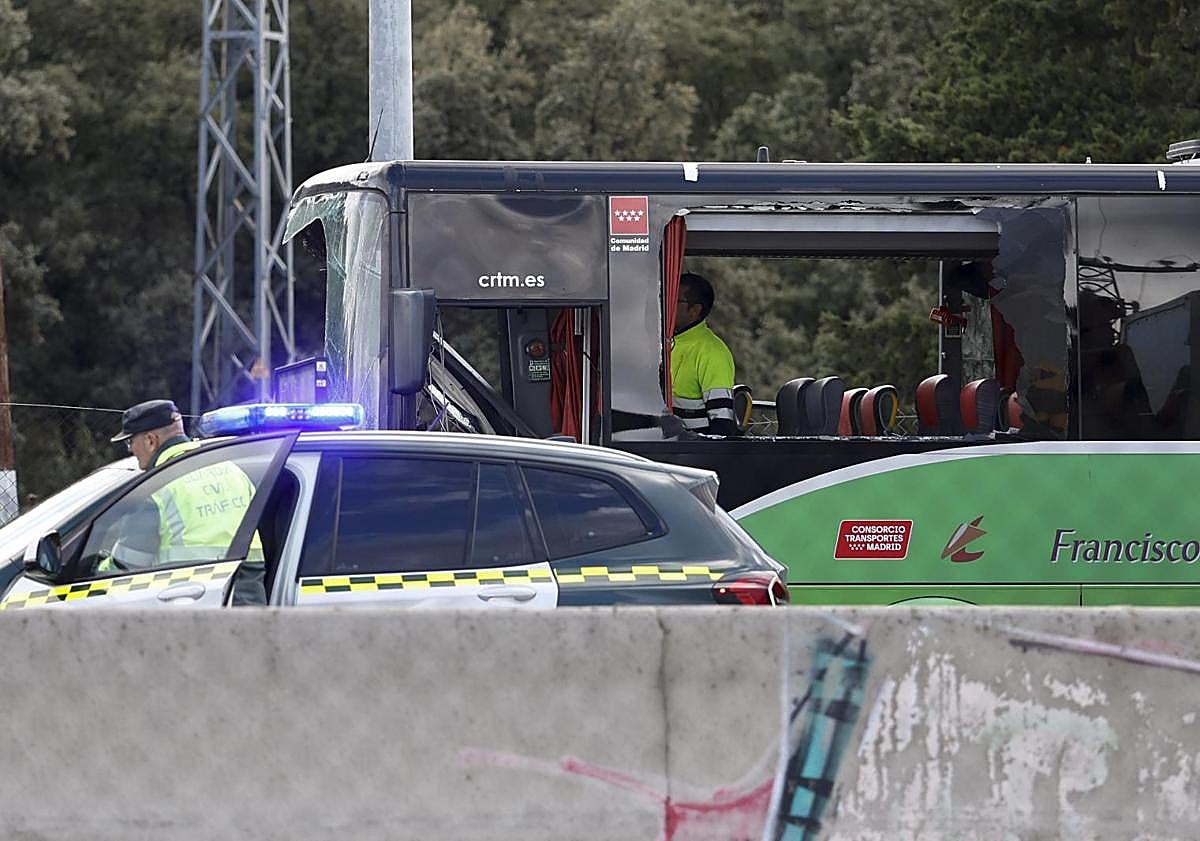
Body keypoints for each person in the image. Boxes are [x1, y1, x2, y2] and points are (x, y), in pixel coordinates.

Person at [106, 399, 266, 604]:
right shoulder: (232, 471)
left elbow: (125, 567)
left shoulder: (156, 488)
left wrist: (96, 566)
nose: (129, 449)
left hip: (191, 600)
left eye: (130, 442)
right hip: (249, 600)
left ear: (150, 440)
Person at [671, 272, 739, 436]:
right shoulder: (664, 343)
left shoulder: (713, 352)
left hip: (684, 457)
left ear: (694, 310)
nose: (666, 304)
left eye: (674, 300)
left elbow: (722, 428)